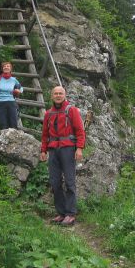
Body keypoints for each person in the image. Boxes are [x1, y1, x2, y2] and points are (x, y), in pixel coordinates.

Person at [40, 85, 85, 226]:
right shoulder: (48, 114)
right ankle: (61, 213)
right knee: (55, 182)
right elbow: (45, 135)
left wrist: (79, 149)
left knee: (70, 182)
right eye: (55, 93)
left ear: (64, 95)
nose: (58, 95)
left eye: (60, 93)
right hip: (53, 150)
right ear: (52, 96)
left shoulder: (71, 110)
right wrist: (43, 150)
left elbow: (80, 131)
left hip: (68, 149)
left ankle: (70, 214)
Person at [0, 61, 23, 130]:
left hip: (11, 103)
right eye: (4, 66)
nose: (6, 67)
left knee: (13, 124)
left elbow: (21, 88)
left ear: (11, 69)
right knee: (3, 125)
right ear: (2, 69)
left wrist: (19, 91)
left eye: (8, 66)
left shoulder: (13, 80)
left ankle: (14, 140)